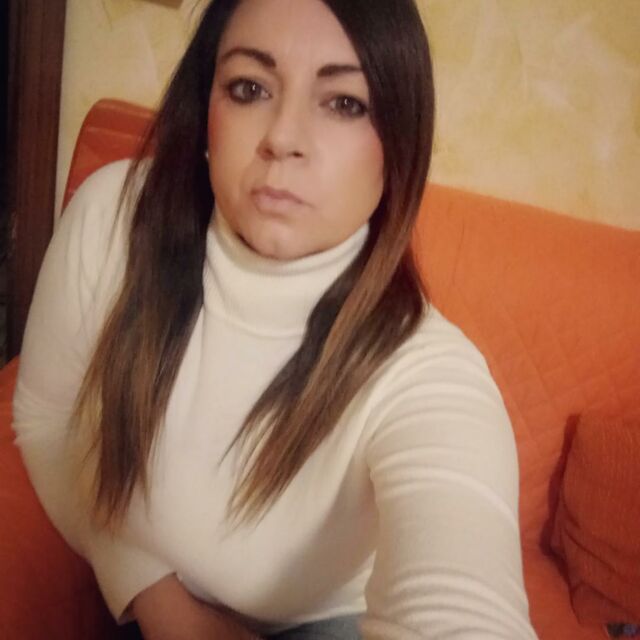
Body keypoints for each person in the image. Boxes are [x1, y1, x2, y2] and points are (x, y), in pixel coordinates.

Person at [12, 0, 539, 638]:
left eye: (344, 103)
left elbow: (464, 605)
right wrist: (155, 596)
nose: (283, 137)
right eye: (249, 88)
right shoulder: (113, 220)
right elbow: (45, 420)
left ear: (399, 147)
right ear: (206, 112)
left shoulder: (428, 374)